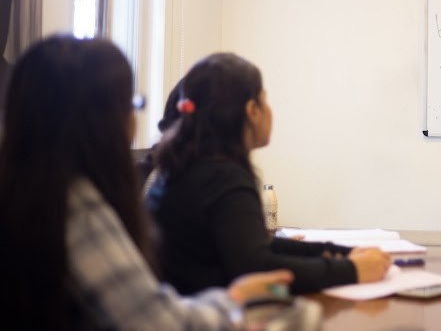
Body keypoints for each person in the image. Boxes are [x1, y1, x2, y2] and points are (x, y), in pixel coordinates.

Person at [0, 35, 293, 329]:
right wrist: (236, 297)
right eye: (130, 105)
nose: (134, 121)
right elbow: (159, 323)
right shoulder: (75, 208)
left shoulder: (25, 195)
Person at [146, 52, 392, 295]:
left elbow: (254, 246)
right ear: (252, 110)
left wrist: (340, 253)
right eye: (265, 100)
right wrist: (351, 270)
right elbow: (258, 268)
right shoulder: (222, 177)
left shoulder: (188, 166)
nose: (270, 110)